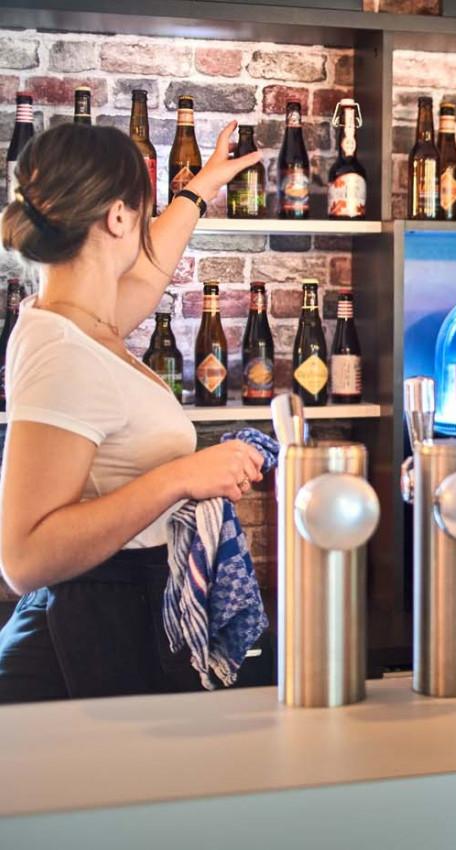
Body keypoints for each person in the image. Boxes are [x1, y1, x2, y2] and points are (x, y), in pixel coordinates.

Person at [0, 123, 266, 702]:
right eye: (143, 214)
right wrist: (179, 478)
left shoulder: (80, 322)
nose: (147, 230)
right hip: (83, 637)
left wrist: (200, 189)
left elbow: (148, 273)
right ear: (119, 218)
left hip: (119, 613)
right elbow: (23, 557)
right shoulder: (62, 351)